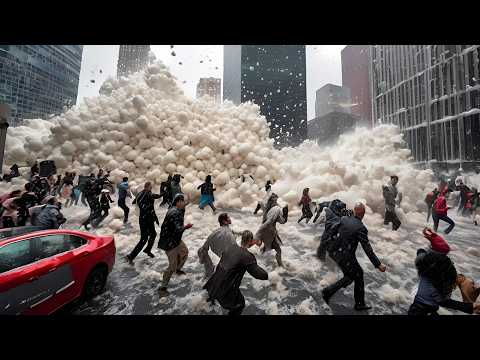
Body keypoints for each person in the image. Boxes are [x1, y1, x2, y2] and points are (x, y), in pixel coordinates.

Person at [322, 202, 387, 311]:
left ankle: (329, 292)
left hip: (334, 252)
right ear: (363, 213)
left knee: (350, 275)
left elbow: (332, 230)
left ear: (355, 210)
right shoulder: (361, 228)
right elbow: (368, 249)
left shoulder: (344, 219)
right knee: (358, 274)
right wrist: (378, 264)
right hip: (346, 256)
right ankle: (358, 303)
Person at [204, 230, 268, 315]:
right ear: (250, 240)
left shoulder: (230, 247)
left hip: (211, 285)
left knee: (209, 306)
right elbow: (261, 275)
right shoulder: (247, 256)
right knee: (239, 305)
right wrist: (271, 275)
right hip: (225, 291)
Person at [408, 250, 480, 315]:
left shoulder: (424, 268)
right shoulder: (434, 288)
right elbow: (446, 302)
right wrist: (470, 307)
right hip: (420, 311)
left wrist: (422, 252)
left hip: (422, 308)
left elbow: (420, 252)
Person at [157, 194, 193, 296]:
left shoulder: (177, 208)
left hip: (175, 239)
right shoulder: (174, 213)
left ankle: (178, 269)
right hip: (169, 242)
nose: (184, 203)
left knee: (184, 252)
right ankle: (163, 287)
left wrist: (187, 202)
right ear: (178, 202)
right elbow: (178, 229)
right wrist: (186, 226)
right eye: (182, 201)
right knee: (171, 266)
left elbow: (183, 208)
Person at [125, 182, 163, 264]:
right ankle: (131, 256)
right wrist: (161, 194)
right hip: (147, 219)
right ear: (148, 187)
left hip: (143, 218)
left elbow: (135, 202)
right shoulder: (148, 193)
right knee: (144, 239)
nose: (151, 189)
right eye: (151, 187)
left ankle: (147, 250)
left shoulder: (140, 194)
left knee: (152, 234)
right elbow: (153, 196)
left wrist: (155, 218)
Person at [198, 213, 241, 278]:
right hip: (224, 257)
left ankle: (209, 272)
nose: (230, 218)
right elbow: (235, 248)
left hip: (212, 252)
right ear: (224, 221)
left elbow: (204, 248)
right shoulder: (228, 233)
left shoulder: (216, 231)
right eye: (228, 217)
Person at [254, 193, 288, 267]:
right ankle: (280, 266)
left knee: (266, 248)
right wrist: (257, 234)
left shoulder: (267, 207)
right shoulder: (276, 209)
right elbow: (280, 221)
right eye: (275, 200)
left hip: (266, 231)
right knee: (278, 250)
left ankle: (258, 260)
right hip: (269, 232)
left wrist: (256, 211)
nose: (276, 202)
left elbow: (260, 202)